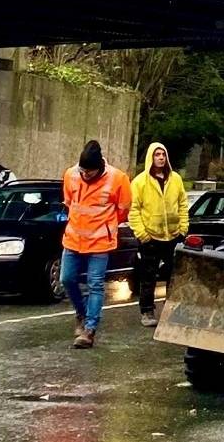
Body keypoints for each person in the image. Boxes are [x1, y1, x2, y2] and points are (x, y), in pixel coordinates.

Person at [61, 140, 131, 349]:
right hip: (73, 238)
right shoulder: (70, 174)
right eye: (83, 170)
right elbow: (68, 203)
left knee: (95, 284)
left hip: (101, 241)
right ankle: (81, 313)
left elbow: (123, 210)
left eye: (89, 172)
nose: (85, 175)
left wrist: (107, 226)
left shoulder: (118, 179)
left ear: (100, 166)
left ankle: (90, 329)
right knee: (67, 279)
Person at [129, 142, 186, 328]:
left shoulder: (175, 179)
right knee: (148, 276)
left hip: (173, 235)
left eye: (163, 154)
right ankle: (147, 311)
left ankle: (171, 310)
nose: (161, 157)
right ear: (150, 157)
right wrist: (142, 234)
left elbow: (183, 203)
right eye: (157, 154)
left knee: (173, 275)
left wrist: (183, 228)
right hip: (150, 236)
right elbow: (134, 210)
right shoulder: (140, 182)